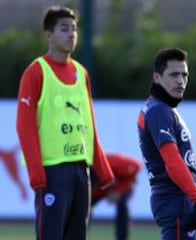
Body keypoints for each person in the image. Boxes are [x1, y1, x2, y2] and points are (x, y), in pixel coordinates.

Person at [16, 5, 114, 240]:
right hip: (52, 170)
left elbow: (89, 124)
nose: (72, 34)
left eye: (74, 29)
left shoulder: (82, 73)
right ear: (49, 35)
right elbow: (24, 126)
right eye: (64, 29)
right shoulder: (36, 72)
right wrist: (35, 170)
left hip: (81, 170)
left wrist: (102, 167)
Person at [137, 48, 196, 240]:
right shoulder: (158, 111)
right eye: (174, 75)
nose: (180, 81)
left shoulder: (163, 109)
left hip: (187, 198)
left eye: (184, 75)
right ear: (157, 77)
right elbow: (172, 160)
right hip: (177, 198)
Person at [91, 153, 142, 240]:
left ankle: (122, 238)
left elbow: (137, 165)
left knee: (122, 206)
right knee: (83, 209)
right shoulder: (88, 171)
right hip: (100, 190)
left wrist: (118, 191)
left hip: (117, 186)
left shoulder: (112, 163)